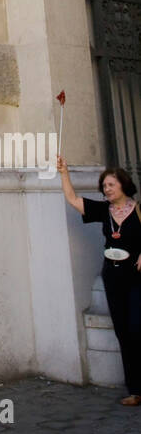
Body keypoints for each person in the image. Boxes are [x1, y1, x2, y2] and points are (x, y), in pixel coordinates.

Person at [58, 154, 141, 404]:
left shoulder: (137, 210)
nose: (107, 189)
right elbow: (72, 199)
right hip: (113, 274)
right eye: (104, 186)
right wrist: (64, 173)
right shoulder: (104, 210)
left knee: (137, 327)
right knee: (123, 331)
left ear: (123, 185)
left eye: (111, 185)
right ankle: (135, 390)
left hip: (136, 275)